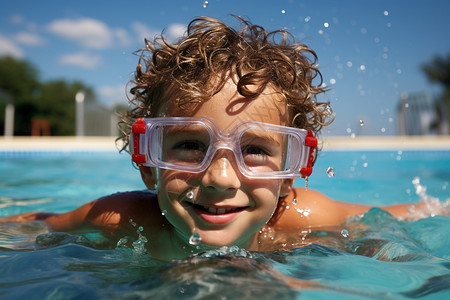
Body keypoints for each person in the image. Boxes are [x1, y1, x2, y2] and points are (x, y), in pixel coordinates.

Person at [0, 16, 444, 260]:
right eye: (190, 144)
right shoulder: (121, 219)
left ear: (292, 173)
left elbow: (395, 216)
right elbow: (36, 225)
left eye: (255, 149)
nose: (221, 178)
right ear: (147, 163)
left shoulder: (301, 219)